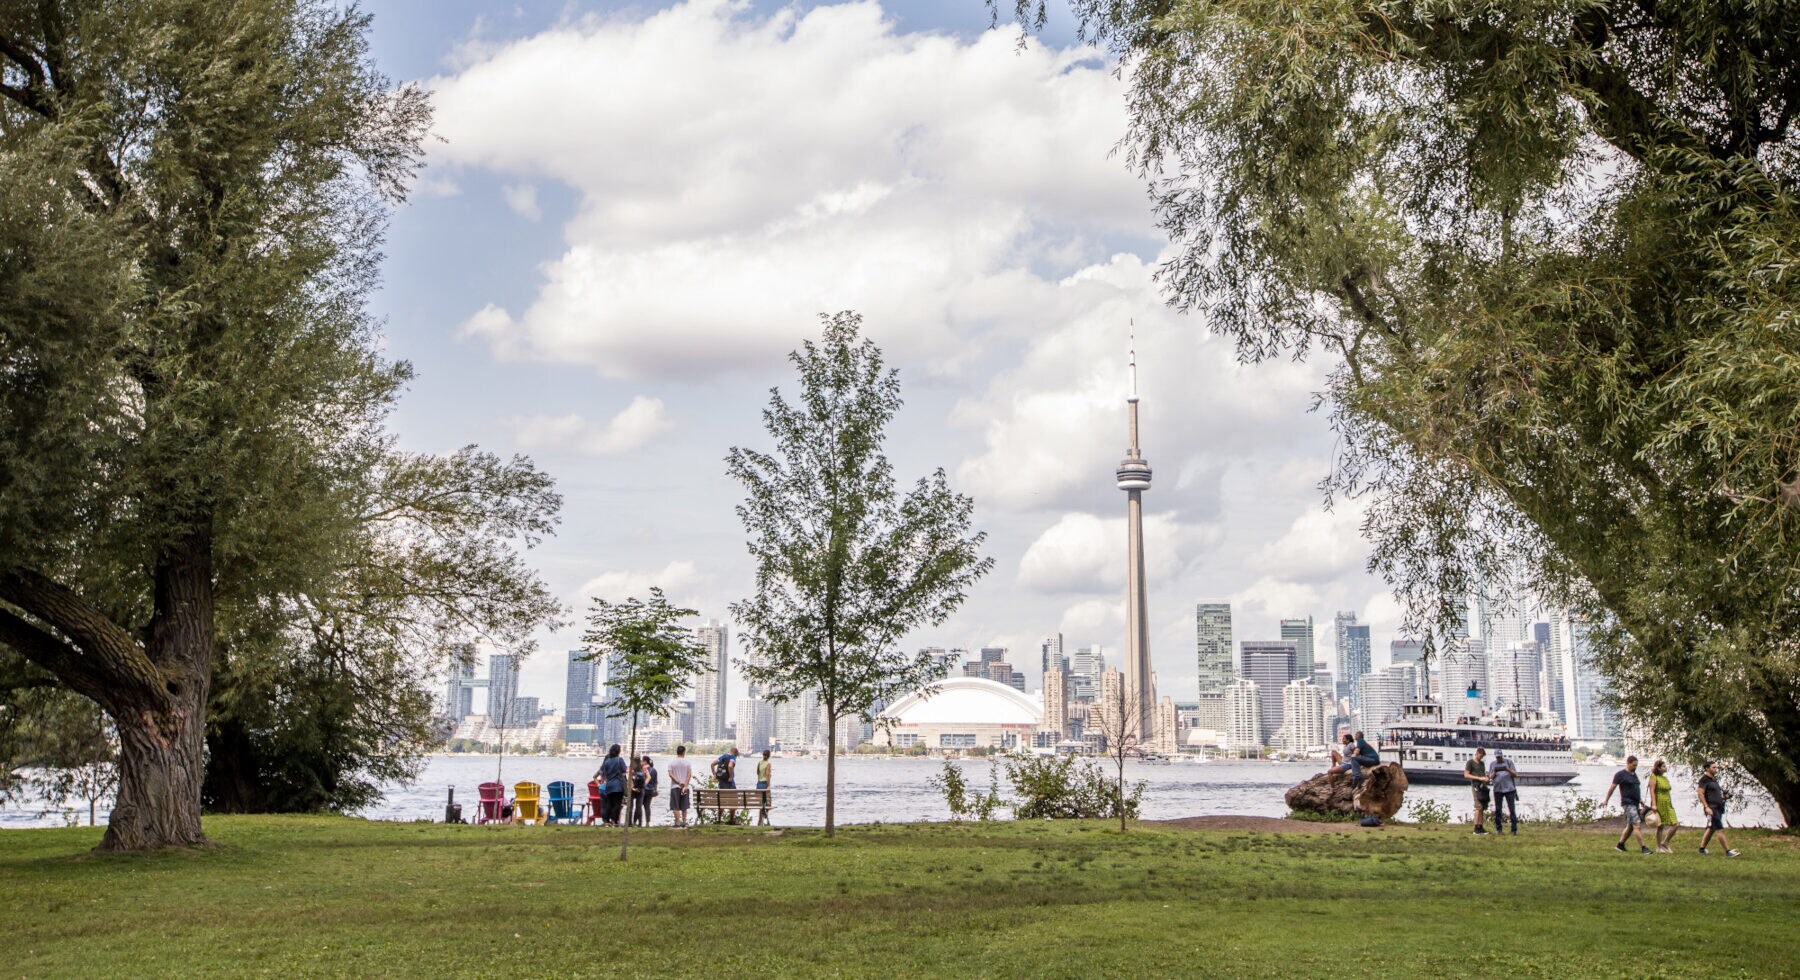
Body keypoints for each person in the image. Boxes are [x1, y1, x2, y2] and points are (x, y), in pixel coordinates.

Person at [1601, 754, 1650, 854]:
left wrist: (1641, 801)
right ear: (1627, 763)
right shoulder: (1620, 775)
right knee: (1637, 825)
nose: (1635, 767)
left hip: (1635, 803)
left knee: (1630, 826)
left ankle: (1620, 845)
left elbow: (1635, 789)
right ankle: (1644, 848)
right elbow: (1612, 788)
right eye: (1633, 765)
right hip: (1628, 803)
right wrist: (1606, 800)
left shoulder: (1634, 775)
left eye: (1636, 765)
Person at [1696, 761, 1739, 857]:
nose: (1716, 769)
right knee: (1720, 829)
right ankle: (1728, 852)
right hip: (1712, 808)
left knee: (1711, 829)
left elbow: (1715, 795)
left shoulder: (1713, 780)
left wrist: (1724, 797)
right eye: (1713, 767)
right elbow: (1700, 793)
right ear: (1707, 768)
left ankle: (1701, 849)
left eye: (1716, 767)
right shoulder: (1704, 780)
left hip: (1718, 807)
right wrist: (1706, 807)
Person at [1647, 759, 1679, 853]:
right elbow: (1652, 791)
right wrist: (1653, 804)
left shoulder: (1664, 778)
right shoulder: (1654, 777)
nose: (1666, 768)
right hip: (1659, 803)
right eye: (1664, 766)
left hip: (1668, 803)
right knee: (1660, 825)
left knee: (1675, 824)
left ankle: (1665, 842)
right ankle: (1659, 847)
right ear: (1658, 768)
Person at [1488, 750, 1520, 835]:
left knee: (1512, 810)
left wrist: (1507, 769)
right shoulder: (1492, 764)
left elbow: (1515, 774)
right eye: (1497, 757)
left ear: (1502, 755)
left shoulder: (1509, 762)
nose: (1499, 758)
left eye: (1500, 756)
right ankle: (1499, 829)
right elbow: (1490, 777)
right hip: (1498, 789)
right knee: (1498, 810)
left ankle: (1514, 830)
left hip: (1509, 789)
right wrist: (1495, 771)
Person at [597, 743, 627, 826]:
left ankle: (606, 821)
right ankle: (614, 820)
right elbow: (624, 770)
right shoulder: (619, 760)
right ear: (618, 751)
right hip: (618, 785)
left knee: (609, 804)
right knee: (617, 804)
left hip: (609, 785)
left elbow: (604, 773)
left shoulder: (607, 762)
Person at [1464, 747, 1492, 835]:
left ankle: (1480, 826)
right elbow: (1466, 775)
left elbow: (1483, 773)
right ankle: (1476, 828)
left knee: (1482, 807)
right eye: (1480, 756)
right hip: (1476, 786)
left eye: (1482, 756)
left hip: (1483, 786)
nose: (1481, 758)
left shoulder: (1482, 764)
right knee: (1478, 806)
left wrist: (1486, 778)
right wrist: (1478, 778)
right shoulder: (1470, 762)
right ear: (1477, 753)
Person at [668, 745, 693, 828]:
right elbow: (689, 774)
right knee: (684, 806)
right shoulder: (688, 762)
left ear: (677, 752)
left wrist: (678, 782)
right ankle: (684, 822)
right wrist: (685, 784)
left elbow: (670, 774)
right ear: (684, 752)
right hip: (685, 787)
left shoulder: (672, 762)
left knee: (675, 806)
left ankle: (677, 822)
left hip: (675, 786)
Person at [633, 755, 659, 827]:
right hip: (650, 791)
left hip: (642, 790)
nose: (640, 762)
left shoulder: (642, 769)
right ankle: (647, 823)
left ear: (644, 762)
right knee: (647, 806)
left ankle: (635, 822)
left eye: (641, 761)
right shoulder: (654, 770)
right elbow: (655, 782)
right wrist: (655, 789)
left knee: (638, 807)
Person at [755, 749, 773, 826]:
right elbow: (767, 775)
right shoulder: (768, 764)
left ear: (763, 755)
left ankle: (760, 820)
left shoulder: (759, 763)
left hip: (759, 784)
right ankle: (765, 815)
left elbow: (757, 773)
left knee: (761, 803)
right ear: (769, 756)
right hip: (764, 784)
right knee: (768, 802)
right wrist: (768, 785)